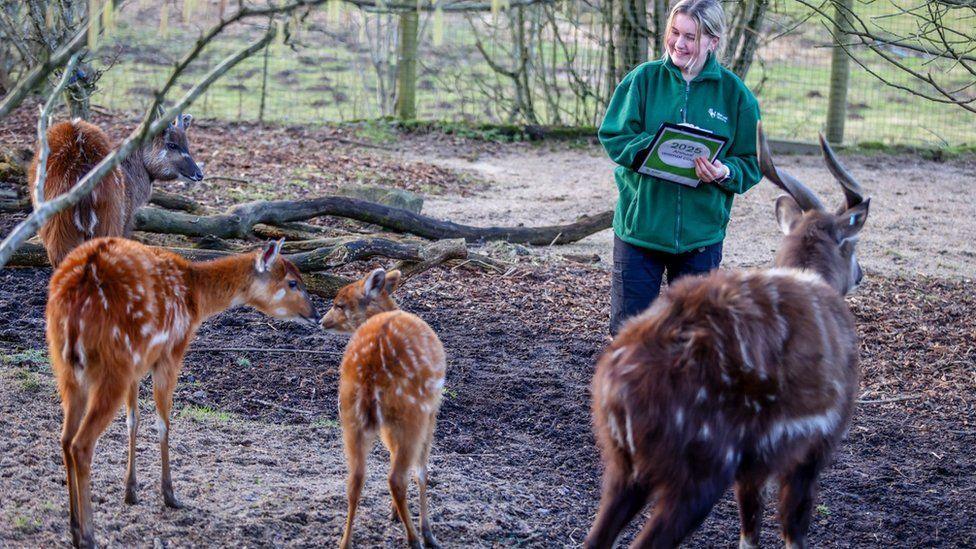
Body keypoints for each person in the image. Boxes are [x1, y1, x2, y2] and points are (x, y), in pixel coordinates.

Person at [599, 0, 762, 336]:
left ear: (712, 42)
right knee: (630, 339)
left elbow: (752, 161)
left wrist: (724, 172)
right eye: (674, 32)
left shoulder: (736, 95)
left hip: (700, 238)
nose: (679, 43)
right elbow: (615, 135)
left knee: (693, 340)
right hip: (640, 230)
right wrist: (654, 150)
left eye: (691, 36)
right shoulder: (643, 80)